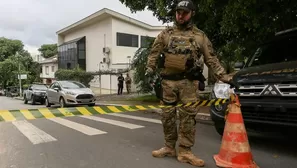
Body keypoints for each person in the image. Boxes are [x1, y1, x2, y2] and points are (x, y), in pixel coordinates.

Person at [145, 0, 233, 167]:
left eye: (184, 12)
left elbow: (211, 59)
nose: (180, 15)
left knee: (188, 119)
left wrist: (224, 76)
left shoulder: (200, 36)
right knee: (167, 117)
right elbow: (154, 53)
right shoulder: (165, 34)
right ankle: (169, 147)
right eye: (178, 12)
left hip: (188, 84)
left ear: (192, 13)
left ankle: (185, 151)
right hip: (167, 84)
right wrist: (149, 70)